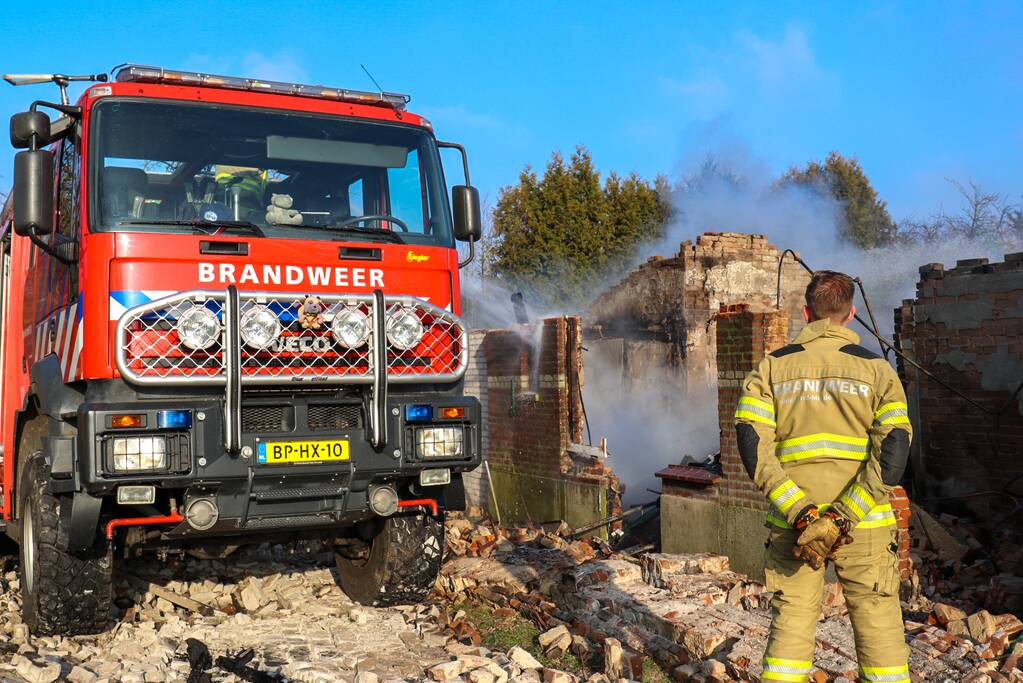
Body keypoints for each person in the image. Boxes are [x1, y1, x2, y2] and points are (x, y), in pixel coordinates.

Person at [734, 270, 912, 683]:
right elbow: (894, 451)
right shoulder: (878, 371)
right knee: (879, 627)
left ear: (806, 312)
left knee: (791, 627)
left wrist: (803, 515)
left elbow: (751, 446)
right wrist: (843, 518)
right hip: (863, 525)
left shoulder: (771, 368)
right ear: (850, 314)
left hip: (794, 529)